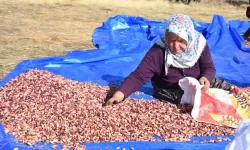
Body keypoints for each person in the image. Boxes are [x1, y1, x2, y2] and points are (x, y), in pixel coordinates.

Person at [103, 14, 233, 106]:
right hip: (170, 88)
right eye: (171, 40)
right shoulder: (158, 51)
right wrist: (119, 94)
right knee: (193, 100)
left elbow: (209, 67)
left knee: (229, 92)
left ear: (189, 37)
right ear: (166, 37)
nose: (175, 47)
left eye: (181, 41)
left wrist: (206, 77)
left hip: (198, 83)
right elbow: (138, 76)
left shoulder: (198, 45)